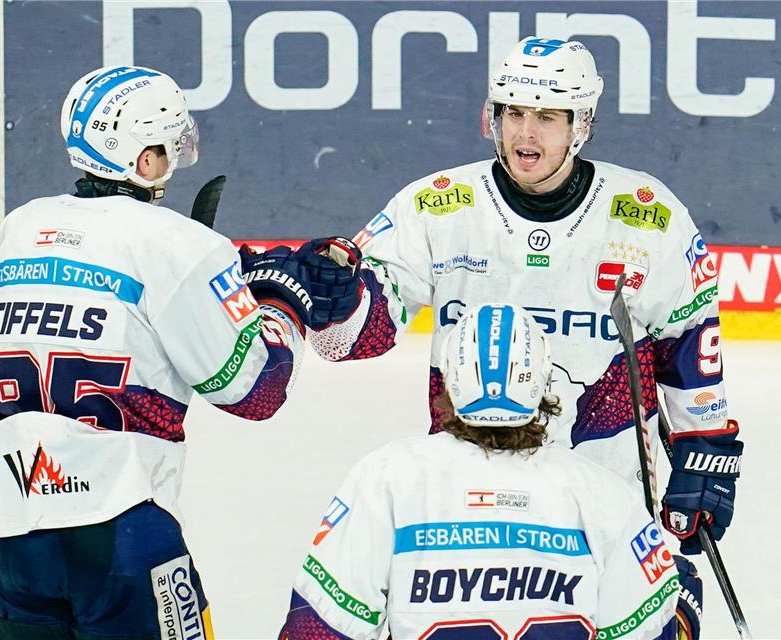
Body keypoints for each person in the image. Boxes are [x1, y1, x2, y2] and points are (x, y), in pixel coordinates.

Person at [0, 65, 350, 639]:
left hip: (10, 537)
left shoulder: (16, 230)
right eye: (167, 145)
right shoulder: (180, 245)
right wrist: (278, 303)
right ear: (143, 159)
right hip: (123, 534)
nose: (174, 156)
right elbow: (257, 393)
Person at [305, 37, 743, 557]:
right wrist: (337, 301)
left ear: (580, 124)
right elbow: (353, 339)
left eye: (546, 117)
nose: (525, 133)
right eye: (514, 112)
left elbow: (690, 343)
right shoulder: (437, 207)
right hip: (466, 508)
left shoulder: (647, 216)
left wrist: (705, 449)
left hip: (606, 510)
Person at [281, 304, 703, 639]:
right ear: (544, 381)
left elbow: (316, 630)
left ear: (449, 379)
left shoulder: (388, 477)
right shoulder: (603, 494)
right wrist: (679, 612)